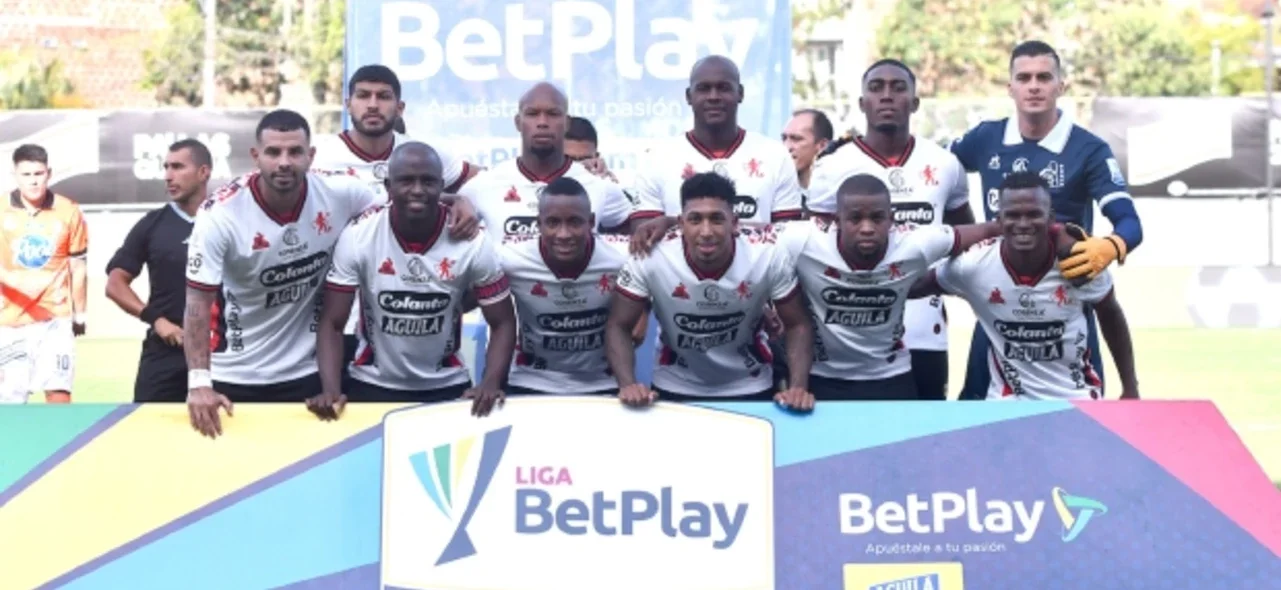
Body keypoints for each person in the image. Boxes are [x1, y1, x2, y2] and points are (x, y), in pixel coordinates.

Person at [949, 41, 1144, 400]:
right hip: (1000, 306)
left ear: (1060, 86)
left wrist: (1110, 245)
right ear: (1010, 88)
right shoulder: (985, 138)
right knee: (975, 428)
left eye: (1044, 77)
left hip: (1067, 306)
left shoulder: (1088, 149)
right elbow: (927, 170)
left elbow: (1130, 223)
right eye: (1024, 78)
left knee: (1083, 429)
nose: (1034, 85)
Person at [182, 109, 381, 438]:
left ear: (311, 156)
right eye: (273, 152)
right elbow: (197, 304)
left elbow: (399, 210)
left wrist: (455, 201)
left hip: (306, 376)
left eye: (295, 152)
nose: (284, 162)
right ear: (256, 156)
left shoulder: (342, 192)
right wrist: (200, 383)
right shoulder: (221, 214)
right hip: (234, 376)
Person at [807, 59, 976, 401]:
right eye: (876, 88)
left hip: (925, 331)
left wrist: (940, 281)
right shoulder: (831, 167)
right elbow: (811, 252)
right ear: (861, 103)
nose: (886, 96)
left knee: (921, 445)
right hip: (850, 337)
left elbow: (967, 241)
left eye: (898, 89)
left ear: (914, 102)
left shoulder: (944, 164)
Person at [310, 142, 516, 417]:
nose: (417, 190)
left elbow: (502, 321)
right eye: (406, 181)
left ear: (442, 185)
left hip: (446, 385)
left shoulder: (472, 241)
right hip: (371, 384)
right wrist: (331, 390)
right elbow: (333, 323)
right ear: (388, 186)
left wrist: (490, 383)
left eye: (428, 181)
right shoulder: (360, 235)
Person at [910, 172, 1140, 400]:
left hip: (1075, 398)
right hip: (1005, 404)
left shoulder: (1080, 260)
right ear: (998, 220)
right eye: (1012, 215)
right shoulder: (974, 265)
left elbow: (1111, 313)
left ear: (1051, 218)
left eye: (1033, 215)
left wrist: (1130, 388)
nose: (1023, 224)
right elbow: (913, 286)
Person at [312, 64, 483, 370]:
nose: (373, 104)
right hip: (339, 320)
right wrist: (454, 197)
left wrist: (468, 199)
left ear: (400, 107)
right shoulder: (322, 159)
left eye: (384, 96)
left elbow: (493, 187)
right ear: (348, 104)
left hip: (404, 318)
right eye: (363, 96)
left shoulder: (423, 153)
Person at [777, 174, 1001, 400]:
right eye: (855, 219)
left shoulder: (916, 243)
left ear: (891, 220)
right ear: (837, 221)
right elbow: (749, 236)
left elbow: (988, 231)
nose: (867, 228)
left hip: (890, 376)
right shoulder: (802, 240)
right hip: (823, 376)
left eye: (877, 218)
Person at [605, 172, 814, 409]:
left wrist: (798, 388)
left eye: (716, 219)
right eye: (695, 220)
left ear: (735, 223)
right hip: (675, 383)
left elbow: (798, 324)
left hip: (750, 382)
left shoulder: (767, 254)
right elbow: (618, 325)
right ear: (681, 223)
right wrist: (627, 384)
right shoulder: (652, 255)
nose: (706, 232)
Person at [628, 55, 805, 242]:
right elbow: (643, 237)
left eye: (723, 88)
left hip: (758, 272)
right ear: (689, 96)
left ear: (740, 93)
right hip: (679, 272)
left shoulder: (774, 155)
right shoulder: (658, 158)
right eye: (704, 89)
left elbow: (788, 239)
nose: (713, 97)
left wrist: (676, 223)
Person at [500, 177, 637, 395]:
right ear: (539, 223)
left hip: (603, 382)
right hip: (530, 379)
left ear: (591, 222)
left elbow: (669, 252)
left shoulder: (622, 257)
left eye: (575, 222)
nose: (563, 235)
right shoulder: (509, 258)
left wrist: (644, 312)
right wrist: (457, 199)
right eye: (553, 223)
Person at [458, 83, 633, 241]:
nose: (542, 122)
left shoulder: (599, 186)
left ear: (566, 123)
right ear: (518, 123)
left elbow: (640, 236)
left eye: (553, 114)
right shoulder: (485, 184)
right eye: (532, 114)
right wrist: (455, 200)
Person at [105, 139, 209, 403]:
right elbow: (115, 284)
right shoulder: (153, 224)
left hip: (221, 353)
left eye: (177, 167)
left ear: (203, 172)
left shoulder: (228, 220)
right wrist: (157, 320)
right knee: (145, 433)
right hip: (165, 352)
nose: (168, 176)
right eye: (166, 167)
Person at [0, 144, 88, 404]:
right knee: (10, 401)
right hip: (10, 321)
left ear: (49, 173)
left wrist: (80, 314)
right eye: (26, 175)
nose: (33, 181)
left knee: (59, 393)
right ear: (14, 175)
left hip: (55, 320)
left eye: (38, 173)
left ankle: (63, 445)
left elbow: (78, 266)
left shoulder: (69, 210)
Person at [781, 108, 833, 191]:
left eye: (796, 139)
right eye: (784, 138)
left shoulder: (835, 194)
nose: (786, 146)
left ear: (822, 145)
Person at [565, 116, 619, 183]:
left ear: (597, 158)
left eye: (585, 159)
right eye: (569, 159)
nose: (578, 166)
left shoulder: (606, 186)